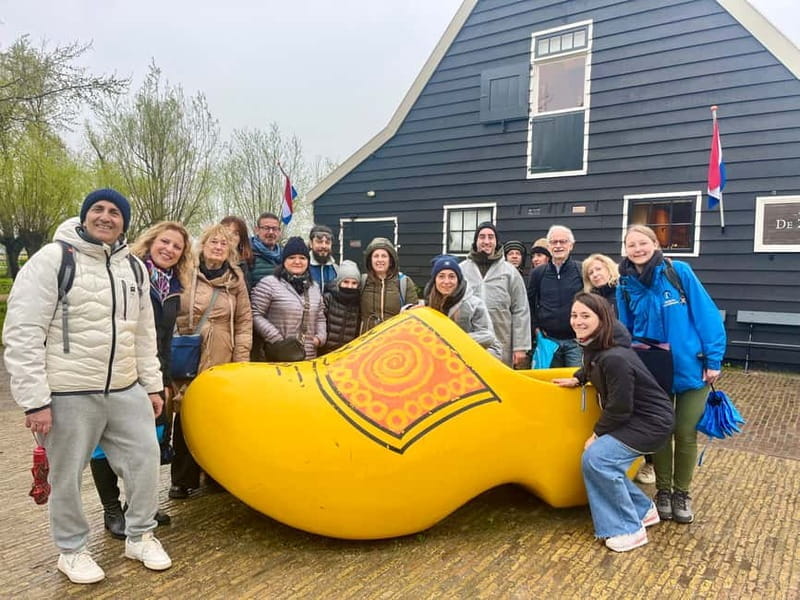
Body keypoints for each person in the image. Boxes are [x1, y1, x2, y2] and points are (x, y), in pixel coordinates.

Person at [3, 188, 172, 583]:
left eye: (115, 212)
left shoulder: (134, 268)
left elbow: (143, 333)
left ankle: (140, 534)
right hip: (68, 389)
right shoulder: (54, 259)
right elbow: (23, 331)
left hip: (125, 387)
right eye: (98, 209)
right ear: (84, 216)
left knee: (145, 459)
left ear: (124, 223)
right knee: (66, 474)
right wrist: (34, 401)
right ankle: (71, 549)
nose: (106, 217)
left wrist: (152, 385)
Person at [88, 221, 192, 539]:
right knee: (105, 443)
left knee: (149, 442)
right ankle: (112, 509)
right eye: (165, 242)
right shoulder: (127, 273)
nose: (169, 249)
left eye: (177, 246)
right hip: (115, 371)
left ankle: (139, 505)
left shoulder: (173, 285)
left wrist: (161, 378)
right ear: (151, 241)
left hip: (153, 372)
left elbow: (161, 339)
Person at [617, 224, 726, 524]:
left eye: (643, 243)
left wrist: (713, 359)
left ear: (655, 243)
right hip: (652, 371)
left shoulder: (678, 272)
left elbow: (705, 315)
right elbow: (625, 330)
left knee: (685, 431)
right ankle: (662, 491)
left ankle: (682, 492)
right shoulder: (624, 284)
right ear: (625, 249)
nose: (637, 249)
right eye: (631, 245)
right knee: (661, 431)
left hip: (691, 367)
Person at [554, 293, 674, 552]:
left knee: (598, 458)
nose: (578, 321)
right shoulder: (596, 345)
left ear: (602, 318)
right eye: (575, 315)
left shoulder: (615, 356)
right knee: (599, 460)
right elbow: (593, 365)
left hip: (650, 421)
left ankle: (628, 528)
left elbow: (620, 406)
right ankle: (644, 511)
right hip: (639, 417)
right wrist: (579, 378)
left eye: (585, 316)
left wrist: (596, 435)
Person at [170, 224, 252, 499]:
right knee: (185, 412)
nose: (218, 247)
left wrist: (240, 359)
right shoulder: (185, 273)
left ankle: (217, 475)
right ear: (203, 245)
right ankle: (183, 478)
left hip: (222, 352)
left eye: (223, 244)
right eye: (213, 242)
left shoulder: (235, 280)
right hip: (189, 350)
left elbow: (243, 322)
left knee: (217, 416)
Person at [460, 222, 530, 368]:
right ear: (475, 241)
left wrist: (520, 347)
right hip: (469, 340)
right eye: (482, 237)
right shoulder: (462, 270)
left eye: (491, 237)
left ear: (496, 242)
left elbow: (521, 309)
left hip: (502, 339)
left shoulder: (510, 272)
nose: (486, 241)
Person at [251, 236, 327, 360]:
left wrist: (320, 337)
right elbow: (255, 314)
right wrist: (275, 337)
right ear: (284, 260)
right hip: (278, 354)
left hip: (309, 356)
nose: (297, 262)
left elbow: (320, 316)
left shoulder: (314, 287)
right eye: (292, 257)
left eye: (302, 258)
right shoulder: (269, 283)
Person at [424, 255, 501, 358]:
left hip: (471, 361)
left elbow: (488, 337)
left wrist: (452, 340)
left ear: (458, 279)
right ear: (435, 280)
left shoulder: (474, 304)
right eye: (441, 276)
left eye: (452, 276)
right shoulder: (427, 305)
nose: (446, 281)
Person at [527, 225, 583, 368]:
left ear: (571, 245)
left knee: (575, 382)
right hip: (549, 341)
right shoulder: (538, 273)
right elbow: (530, 303)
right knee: (551, 384)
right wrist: (536, 328)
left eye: (562, 242)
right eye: (554, 242)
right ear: (549, 246)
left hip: (575, 342)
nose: (558, 246)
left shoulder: (581, 270)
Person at [359, 237, 419, 333]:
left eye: (384, 256)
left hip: (394, 339)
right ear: (370, 260)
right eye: (376, 256)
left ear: (390, 261)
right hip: (367, 341)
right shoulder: (362, 281)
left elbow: (414, 314)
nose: (380, 260)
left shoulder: (404, 282)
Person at [321, 259, 361, 355]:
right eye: (346, 282)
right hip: (325, 354)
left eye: (354, 283)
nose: (349, 286)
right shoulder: (328, 299)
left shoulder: (358, 303)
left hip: (347, 355)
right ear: (339, 282)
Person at [249, 212, 282, 289]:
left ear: (279, 232)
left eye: (274, 229)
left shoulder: (285, 255)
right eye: (266, 228)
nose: (271, 232)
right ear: (257, 230)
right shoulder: (247, 254)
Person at [221, 215, 254, 292]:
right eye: (226, 231)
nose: (229, 236)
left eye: (235, 233)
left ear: (241, 240)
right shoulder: (204, 259)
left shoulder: (244, 265)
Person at [308, 224, 339, 289]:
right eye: (319, 242)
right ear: (311, 244)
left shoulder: (336, 269)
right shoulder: (302, 267)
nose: (323, 246)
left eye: (327, 242)